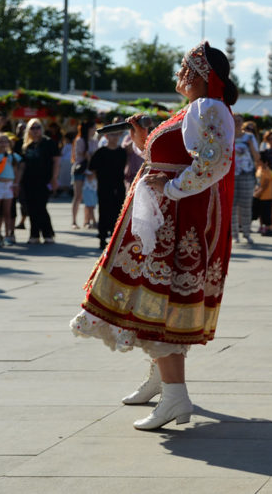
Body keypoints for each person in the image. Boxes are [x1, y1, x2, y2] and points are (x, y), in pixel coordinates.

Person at [70, 41, 238, 431]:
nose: (181, 73)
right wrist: (144, 142)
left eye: (186, 67)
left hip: (177, 220)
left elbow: (214, 162)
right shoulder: (195, 109)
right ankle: (160, 379)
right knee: (155, 298)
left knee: (160, 299)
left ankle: (175, 395)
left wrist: (172, 189)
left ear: (201, 74)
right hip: (166, 218)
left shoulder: (207, 108)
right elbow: (174, 157)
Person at [20, 119, 61, 245]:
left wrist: (54, 178)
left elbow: (57, 161)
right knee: (31, 208)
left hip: (44, 180)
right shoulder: (26, 145)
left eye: (38, 127)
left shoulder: (48, 143)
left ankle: (48, 234)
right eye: (32, 128)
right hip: (28, 181)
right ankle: (34, 234)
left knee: (41, 207)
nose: (35, 130)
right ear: (28, 130)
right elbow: (22, 165)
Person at [88, 127, 128, 251]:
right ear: (106, 137)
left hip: (118, 186)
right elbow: (92, 168)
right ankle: (102, 237)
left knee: (118, 211)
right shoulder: (101, 152)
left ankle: (115, 237)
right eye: (112, 135)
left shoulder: (122, 152)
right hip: (104, 186)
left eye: (116, 135)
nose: (114, 137)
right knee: (104, 211)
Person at [231, 116, 259, 245]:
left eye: (239, 121)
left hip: (246, 173)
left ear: (242, 123)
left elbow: (257, 156)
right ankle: (234, 235)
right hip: (230, 175)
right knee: (232, 207)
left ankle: (247, 234)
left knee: (246, 205)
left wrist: (250, 145)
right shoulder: (227, 135)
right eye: (234, 120)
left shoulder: (249, 137)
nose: (237, 123)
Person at [71, 121, 98, 229]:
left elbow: (94, 157)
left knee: (89, 196)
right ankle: (74, 221)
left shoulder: (95, 141)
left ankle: (87, 221)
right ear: (88, 129)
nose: (95, 130)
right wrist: (89, 156)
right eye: (93, 128)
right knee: (78, 196)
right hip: (80, 170)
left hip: (91, 171)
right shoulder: (80, 140)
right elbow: (81, 155)